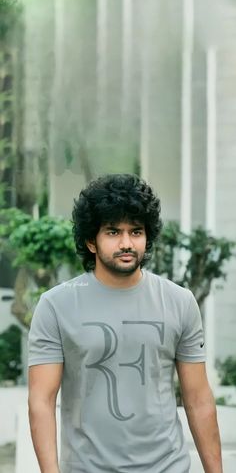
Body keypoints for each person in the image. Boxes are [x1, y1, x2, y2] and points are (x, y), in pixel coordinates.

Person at [28, 173, 223, 473]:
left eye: (136, 232)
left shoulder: (180, 302)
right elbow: (41, 400)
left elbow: (198, 399)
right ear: (91, 241)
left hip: (166, 467)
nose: (126, 243)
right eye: (113, 232)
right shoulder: (56, 305)